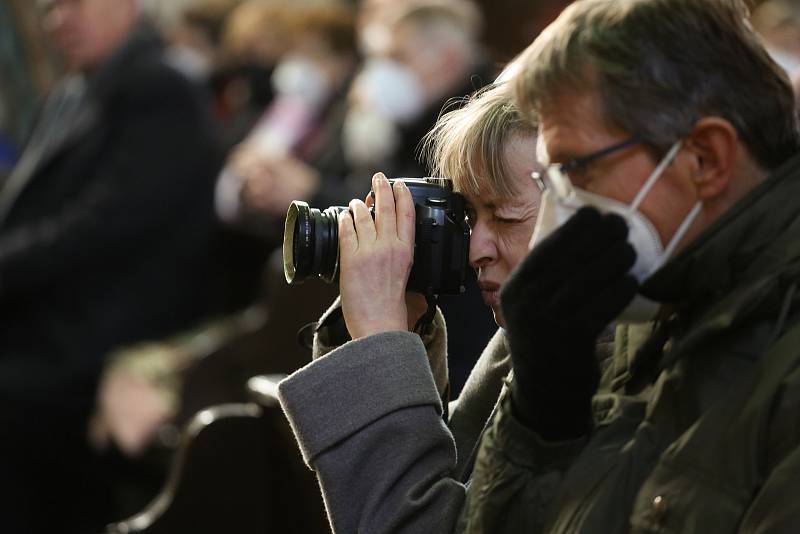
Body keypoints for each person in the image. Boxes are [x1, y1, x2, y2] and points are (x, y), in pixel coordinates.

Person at [459, 0, 800, 532]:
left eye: (576, 171)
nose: (560, 211)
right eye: (552, 181)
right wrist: (542, 421)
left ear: (705, 158)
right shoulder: (643, 319)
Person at [278, 82, 545, 532]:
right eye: (469, 218)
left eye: (503, 218)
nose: (476, 248)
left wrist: (381, 340)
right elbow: (452, 475)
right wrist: (406, 321)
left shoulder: (591, 352)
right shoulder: (528, 330)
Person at [0, 0, 222, 531]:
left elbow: (101, 228)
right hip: (59, 316)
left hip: (107, 330)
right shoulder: (79, 88)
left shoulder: (158, 89)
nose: (58, 22)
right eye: (49, 10)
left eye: (73, 4)